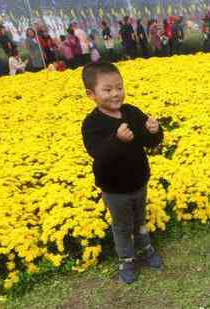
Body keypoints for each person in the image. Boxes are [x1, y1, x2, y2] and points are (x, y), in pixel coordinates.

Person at [81, 62, 164, 284]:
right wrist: (117, 140)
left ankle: (146, 249)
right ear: (91, 94)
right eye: (107, 90)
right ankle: (127, 259)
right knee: (121, 225)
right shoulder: (92, 124)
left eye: (119, 87)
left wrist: (154, 132)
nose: (116, 94)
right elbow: (98, 153)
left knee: (140, 219)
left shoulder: (132, 112)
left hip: (139, 181)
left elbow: (149, 143)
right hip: (114, 189)